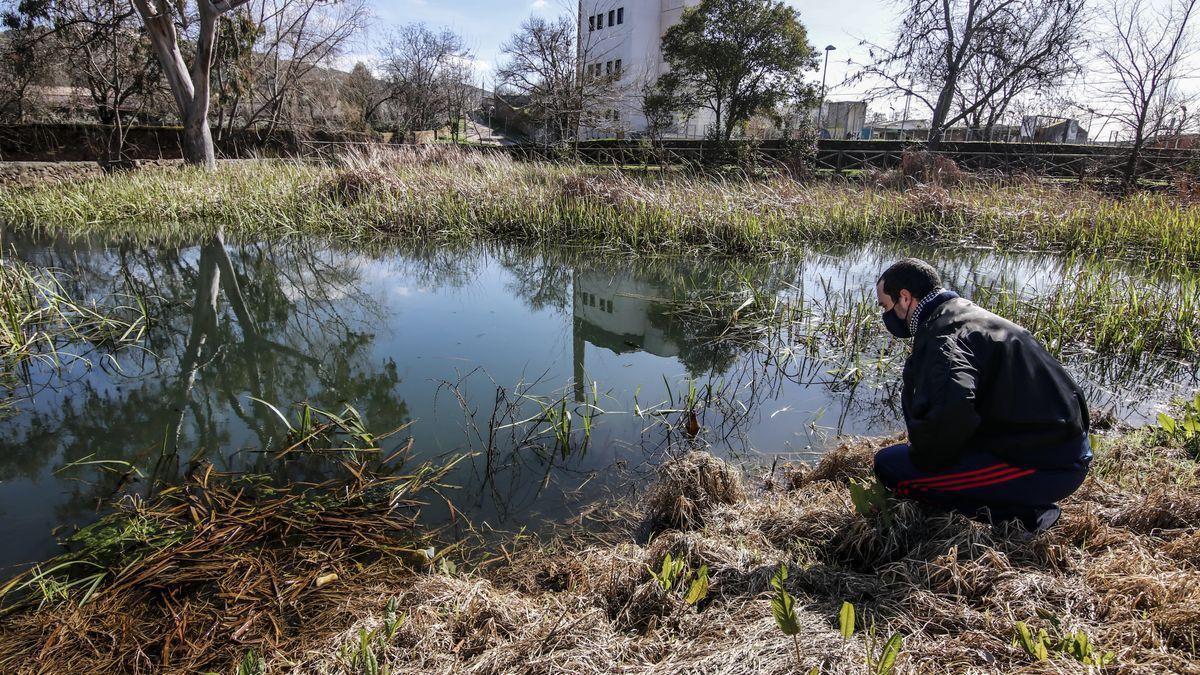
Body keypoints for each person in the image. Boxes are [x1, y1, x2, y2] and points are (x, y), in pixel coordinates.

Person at [872, 258, 1092, 531]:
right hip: (1058, 445)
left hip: (1047, 465)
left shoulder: (945, 336)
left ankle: (1025, 515)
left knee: (891, 466)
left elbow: (950, 415)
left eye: (885, 306)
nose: (885, 315)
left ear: (904, 298)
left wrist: (924, 459)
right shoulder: (970, 315)